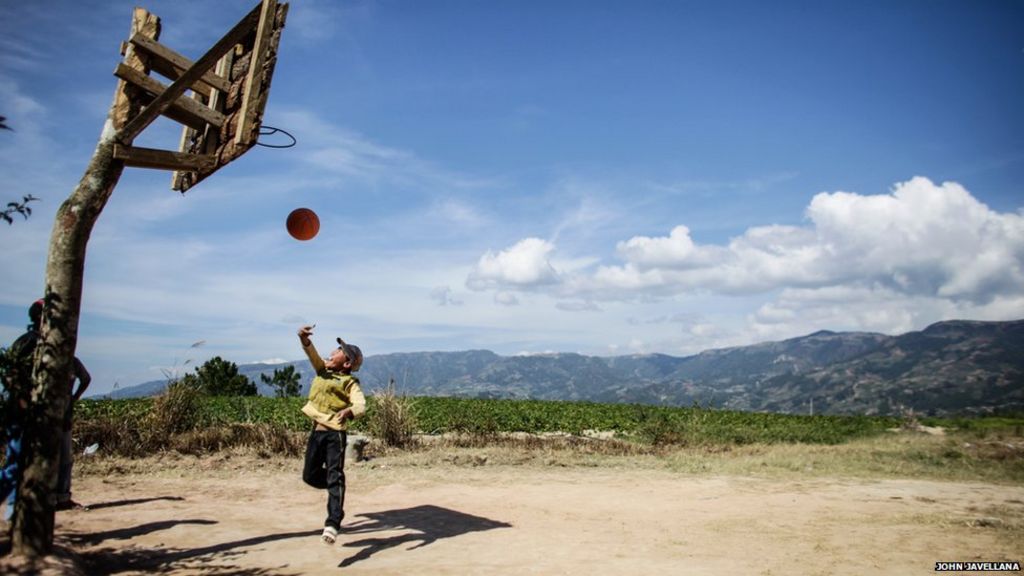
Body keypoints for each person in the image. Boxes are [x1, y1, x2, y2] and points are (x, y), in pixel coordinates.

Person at [296, 325, 366, 545]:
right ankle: (337, 487)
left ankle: (333, 522)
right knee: (309, 476)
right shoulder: (322, 370)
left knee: (334, 474)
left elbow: (361, 404)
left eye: (338, 351)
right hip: (317, 434)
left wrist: (349, 411)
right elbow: (312, 354)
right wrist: (304, 339)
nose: (333, 352)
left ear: (346, 363)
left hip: (335, 436)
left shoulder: (349, 382)